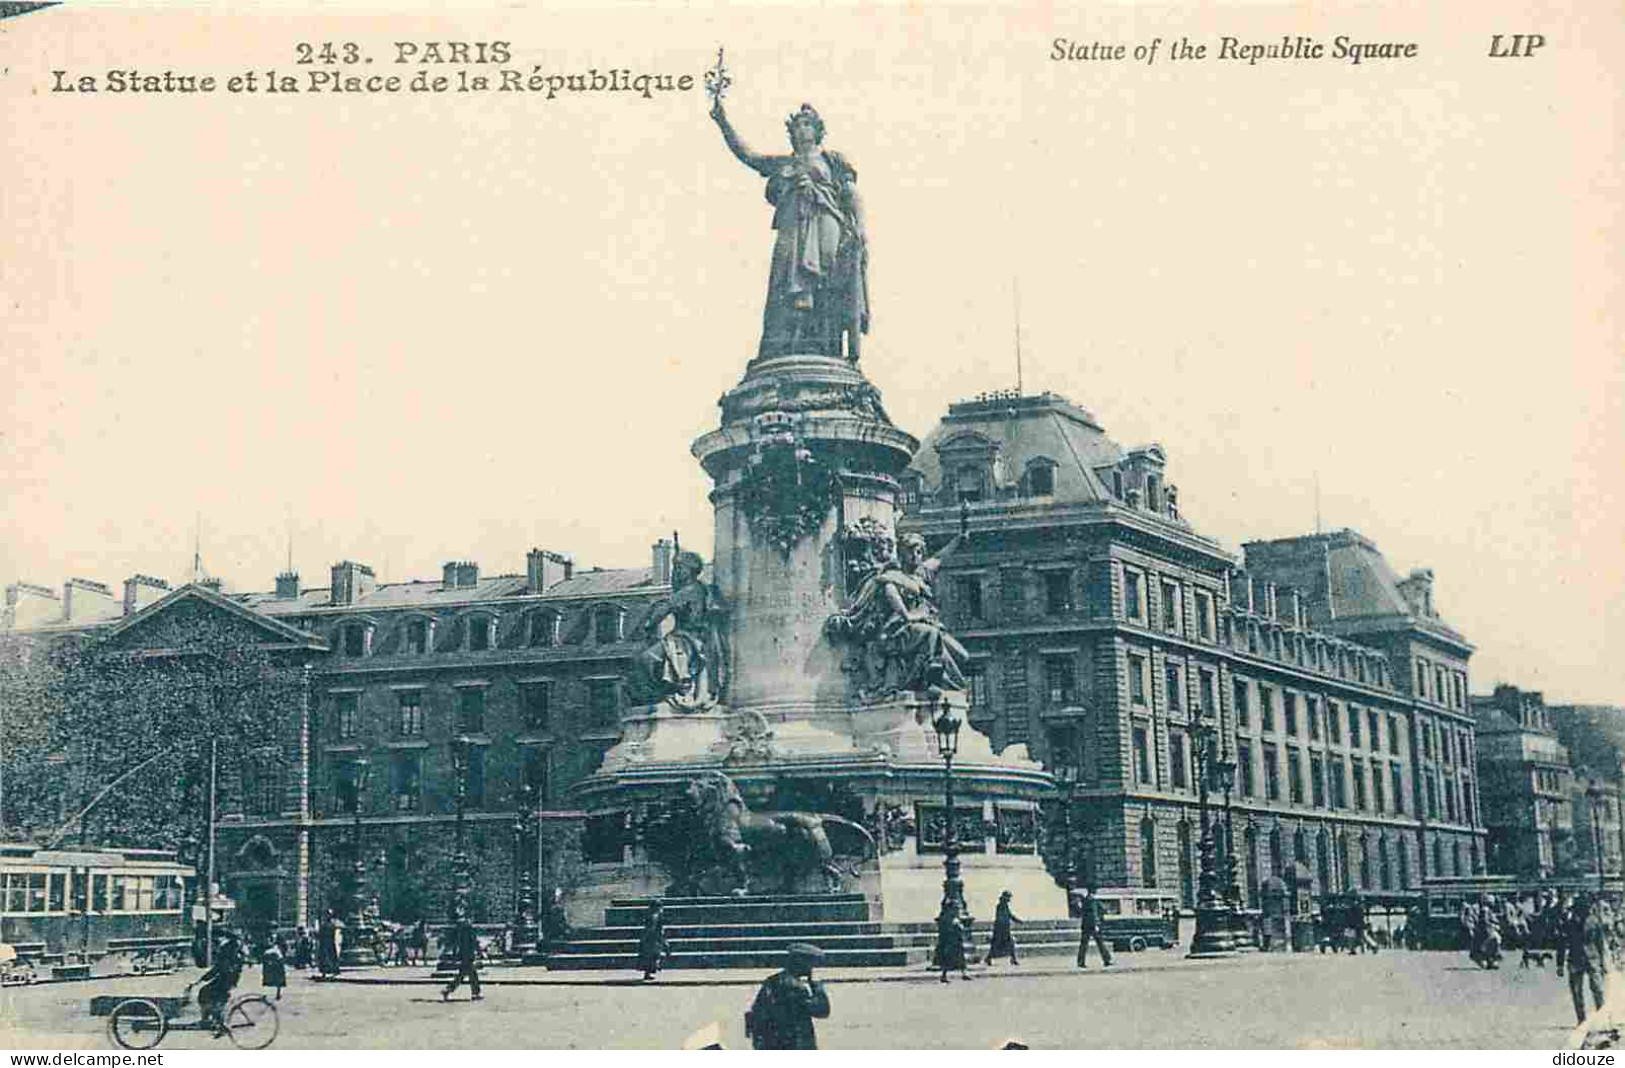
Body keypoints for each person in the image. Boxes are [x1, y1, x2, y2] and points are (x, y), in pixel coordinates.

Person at [710, 97, 869, 364]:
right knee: (783, 279)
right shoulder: (783, 162)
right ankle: (785, 343)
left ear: (817, 129)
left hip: (826, 220)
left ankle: (826, 347)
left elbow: (852, 195)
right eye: (797, 125)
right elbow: (747, 155)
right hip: (792, 225)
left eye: (807, 124)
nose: (801, 129)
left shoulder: (832, 160)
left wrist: (861, 226)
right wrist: (723, 121)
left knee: (827, 280)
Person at [746, 943, 831, 1049]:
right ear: (800, 961)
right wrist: (818, 987)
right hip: (794, 1043)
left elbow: (757, 1011)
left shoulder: (772, 981)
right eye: (811, 963)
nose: (812, 968)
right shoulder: (796, 987)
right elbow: (822, 1010)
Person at [1559, 893, 1611, 1026]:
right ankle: (1581, 1019)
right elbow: (1562, 943)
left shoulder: (1594, 921)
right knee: (1576, 991)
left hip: (1592, 959)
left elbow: (1600, 943)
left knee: (1598, 989)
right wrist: (1559, 964)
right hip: (1575, 959)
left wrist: (1604, 963)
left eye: (1585, 908)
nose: (1584, 911)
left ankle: (1602, 1016)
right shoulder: (1569, 923)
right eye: (1581, 909)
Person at [194, 929, 246, 1037]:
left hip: (227, 978)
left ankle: (219, 1025)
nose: (213, 941)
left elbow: (219, 967)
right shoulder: (232, 945)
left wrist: (203, 979)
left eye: (215, 938)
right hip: (230, 977)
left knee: (206, 994)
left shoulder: (226, 948)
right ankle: (208, 1020)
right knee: (208, 995)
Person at [440, 914, 482, 1002]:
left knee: (467, 975)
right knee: (466, 975)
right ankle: (448, 990)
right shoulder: (469, 931)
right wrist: (479, 952)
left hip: (464, 956)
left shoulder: (462, 932)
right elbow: (474, 943)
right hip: (468, 956)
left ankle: (474, 993)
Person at [1076, 887, 1114, 969]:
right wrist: (1097, 924)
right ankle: (1107, 960)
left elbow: (1082, 912)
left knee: (1084, 945)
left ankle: (1080, 962)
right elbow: (1095, 914)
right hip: (1093, 926)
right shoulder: (1092, 901)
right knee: (1100, 943)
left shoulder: (1085, 901)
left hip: (1085, 925)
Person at [935, 901, 972, 982]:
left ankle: (964, 974)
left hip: (957, 942)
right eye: (955, 908)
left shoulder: (955, 918)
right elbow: (946, 931)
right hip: (950, 942)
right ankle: (944, 976)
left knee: (961, 959)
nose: (956, 910)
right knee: (948, 960)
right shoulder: (947, 918)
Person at [984, 890, 1022, 966]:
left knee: (1009, 944)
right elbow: (1002, 918)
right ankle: (989, 958)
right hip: (1001, 930)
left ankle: (1013, 959)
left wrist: (1017, 920)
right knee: (999, 945)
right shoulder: (1001, 906)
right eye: (1008, 897)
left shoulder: (1004, 906)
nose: (1009, 899)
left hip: (1003, 929)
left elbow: (1009, 915)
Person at [638, 901, 669, 982]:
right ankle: (650, 972)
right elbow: (653, 929)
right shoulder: (654, 916)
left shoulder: (652, 915)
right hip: (653, 939)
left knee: (650, 956)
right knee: (653, 956)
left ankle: (648, 973)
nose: (662, 910)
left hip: (650, 939)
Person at [260, 936, 287, 1001]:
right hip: (275, 963)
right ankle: (276, 994)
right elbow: (280, 958)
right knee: (278, 980)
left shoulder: (274, 948)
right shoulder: (277, 948)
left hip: (272, 963)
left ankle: (267, 994)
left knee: (269, 980)